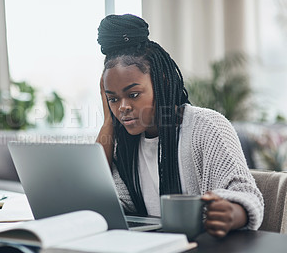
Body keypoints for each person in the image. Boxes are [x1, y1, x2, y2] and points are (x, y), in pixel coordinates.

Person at [95, 14, 264, 238]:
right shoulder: (121, 143)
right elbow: (104, 203)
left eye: (133, 94)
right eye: (113, 99)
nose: (123, 107)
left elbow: (247, 194)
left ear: (161, 80)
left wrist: (232, 212)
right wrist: (108, 122)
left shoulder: (207, 127)